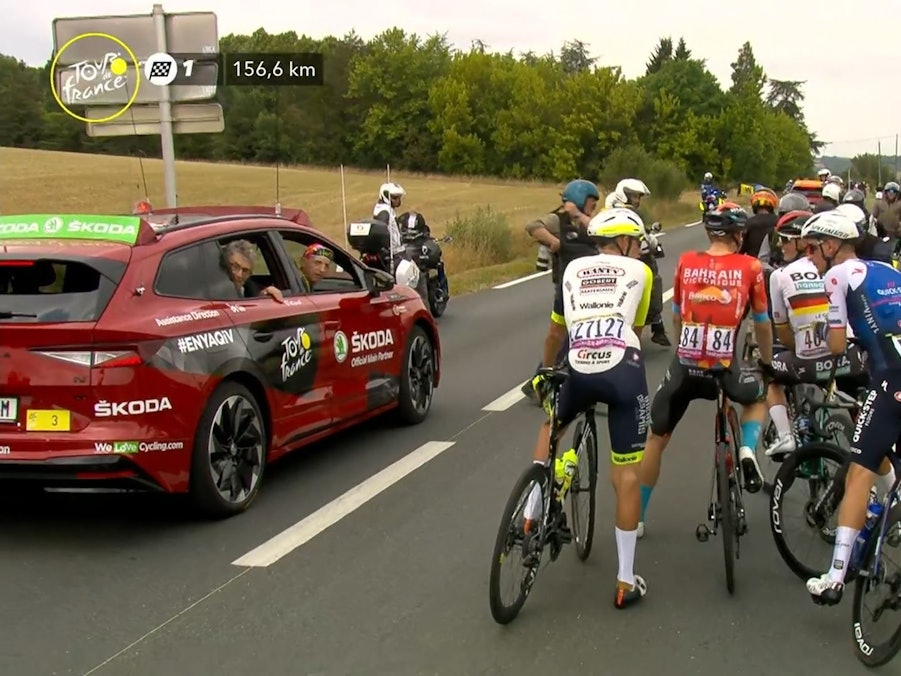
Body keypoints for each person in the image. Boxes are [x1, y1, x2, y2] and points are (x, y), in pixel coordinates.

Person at [527, 207, 652, 608]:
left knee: (551, 427)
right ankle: (625, 580)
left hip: (577, 367)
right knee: (627, 475)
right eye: (636, 243)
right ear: (626, 241)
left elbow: (555, 331)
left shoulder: (572, 270)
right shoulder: (641, 271)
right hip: (623, 372)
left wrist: (544, 370)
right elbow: (638, 327)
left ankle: (531, 510)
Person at [637, 203, 772, 537]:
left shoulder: (686, 262)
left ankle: (636, 518)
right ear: (739, 235)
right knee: (756, 399)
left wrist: (688, 344)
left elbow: (678, 317)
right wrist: (766, 362)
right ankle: (745, 450)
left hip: (686, 364)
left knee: (656, 438)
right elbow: (762, 323)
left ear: (710, 232)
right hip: (726, 366)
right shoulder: (751, 266)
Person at [801, 210, 900, 605]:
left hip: (892, 378)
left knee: (859, 471)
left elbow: (838, 346)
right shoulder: (885, 269)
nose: (809, 256)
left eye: (812, 247)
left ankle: (835, 576)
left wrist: (827, 331)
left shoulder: (836, 277)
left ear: (831, 245)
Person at [763, 210, 868, 457]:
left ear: (803, 242)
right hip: (850, 358)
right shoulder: (846, 270)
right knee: (863, 415)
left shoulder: (779, 276)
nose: (781, 245)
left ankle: (785, 435)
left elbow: (782, 330)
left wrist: (800, 345)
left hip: (810, 361)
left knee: (769, 371)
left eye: (786, 239)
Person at [521, 180, 601, 402]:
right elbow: (532, 225)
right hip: (567, 288)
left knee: (586, 337)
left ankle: (583, 385)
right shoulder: (557, 220)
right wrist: (553, 241)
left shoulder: (591, 222)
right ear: (578, 199)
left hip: (595, 289)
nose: (593, 208)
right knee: (557, 334)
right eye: (591, 203)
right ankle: (543, 380)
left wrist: (580, 216)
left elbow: (601, 229)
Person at [605, 178, 671, 346]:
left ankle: (657, 327)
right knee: (652, 280)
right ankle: (656, 325)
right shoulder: (631, 214)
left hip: (611, 258)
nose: (637, 200)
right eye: (634, 196)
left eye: (638, 197)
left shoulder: (606, 210)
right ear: (624, 194)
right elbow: (644, 237)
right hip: (630, 257)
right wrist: (653, 243)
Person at [372, 182, 407, 272]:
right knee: (418, 277)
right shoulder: (385, 211)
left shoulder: (381, 208)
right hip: (396, 253)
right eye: (395, 197)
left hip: (393, 252)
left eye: (399, 197)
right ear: (386, 196)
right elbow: (382, 228)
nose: (398, 200)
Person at [741, 188, 779, 263]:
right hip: (774, 265)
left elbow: (741, 248)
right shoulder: (779, 221)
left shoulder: (748, 223)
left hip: (752, 265)